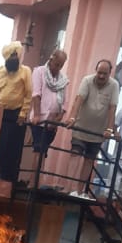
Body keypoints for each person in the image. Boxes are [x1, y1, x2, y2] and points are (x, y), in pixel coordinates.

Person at [64, 59, 120, 197]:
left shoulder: (114, 85)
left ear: (109, 73)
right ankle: (67, 188)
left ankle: (79, 190)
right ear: (96, 71)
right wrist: (72, 118)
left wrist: (109, 129)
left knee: (89, 159)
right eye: (99, 72)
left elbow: (112, 108)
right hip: (81, 127)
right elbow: (79, 100)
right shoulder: (87, 81)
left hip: (98, 132)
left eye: (104, 74)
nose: (101, 76)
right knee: (75, 154)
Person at [0, 42, 33, 183]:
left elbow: (28, 94)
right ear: (6, 58)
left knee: (14, 149)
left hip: (17, 116)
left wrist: (23, 114)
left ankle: (11, 181)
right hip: (0, 115)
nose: (14, 59)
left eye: (16, 55)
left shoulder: (25, 71)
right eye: (11, 56)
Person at [26, 49, 69, 181]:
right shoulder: (39, 72)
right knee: (39, 149)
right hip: (40, 120)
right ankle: (33, 182)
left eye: (61, 65)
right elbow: (36, 94)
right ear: (51, 60)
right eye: (57, 64)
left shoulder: (63, 80)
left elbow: (63, 103)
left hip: (52, 122)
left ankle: (36, 182)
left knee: (43, 151)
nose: (58, 68)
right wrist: (37, 115)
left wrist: (57, 119)